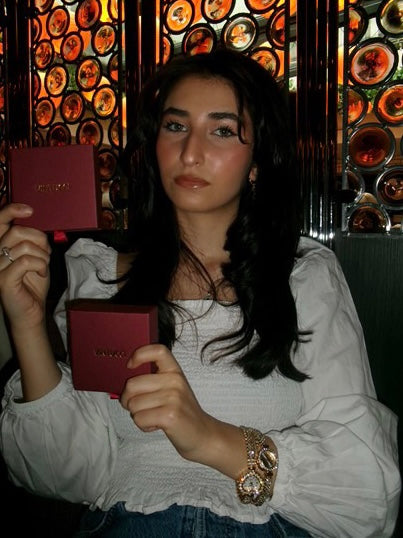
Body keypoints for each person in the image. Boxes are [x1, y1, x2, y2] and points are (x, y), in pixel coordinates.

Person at [0, 48, 400, 537]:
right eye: (175, 126)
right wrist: (27, 324)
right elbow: (67, 474)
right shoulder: (101, 276)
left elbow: (365, 495)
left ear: (256, 161)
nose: (190, 152)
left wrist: (206, 436)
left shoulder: (302, 276)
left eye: (222, 130)